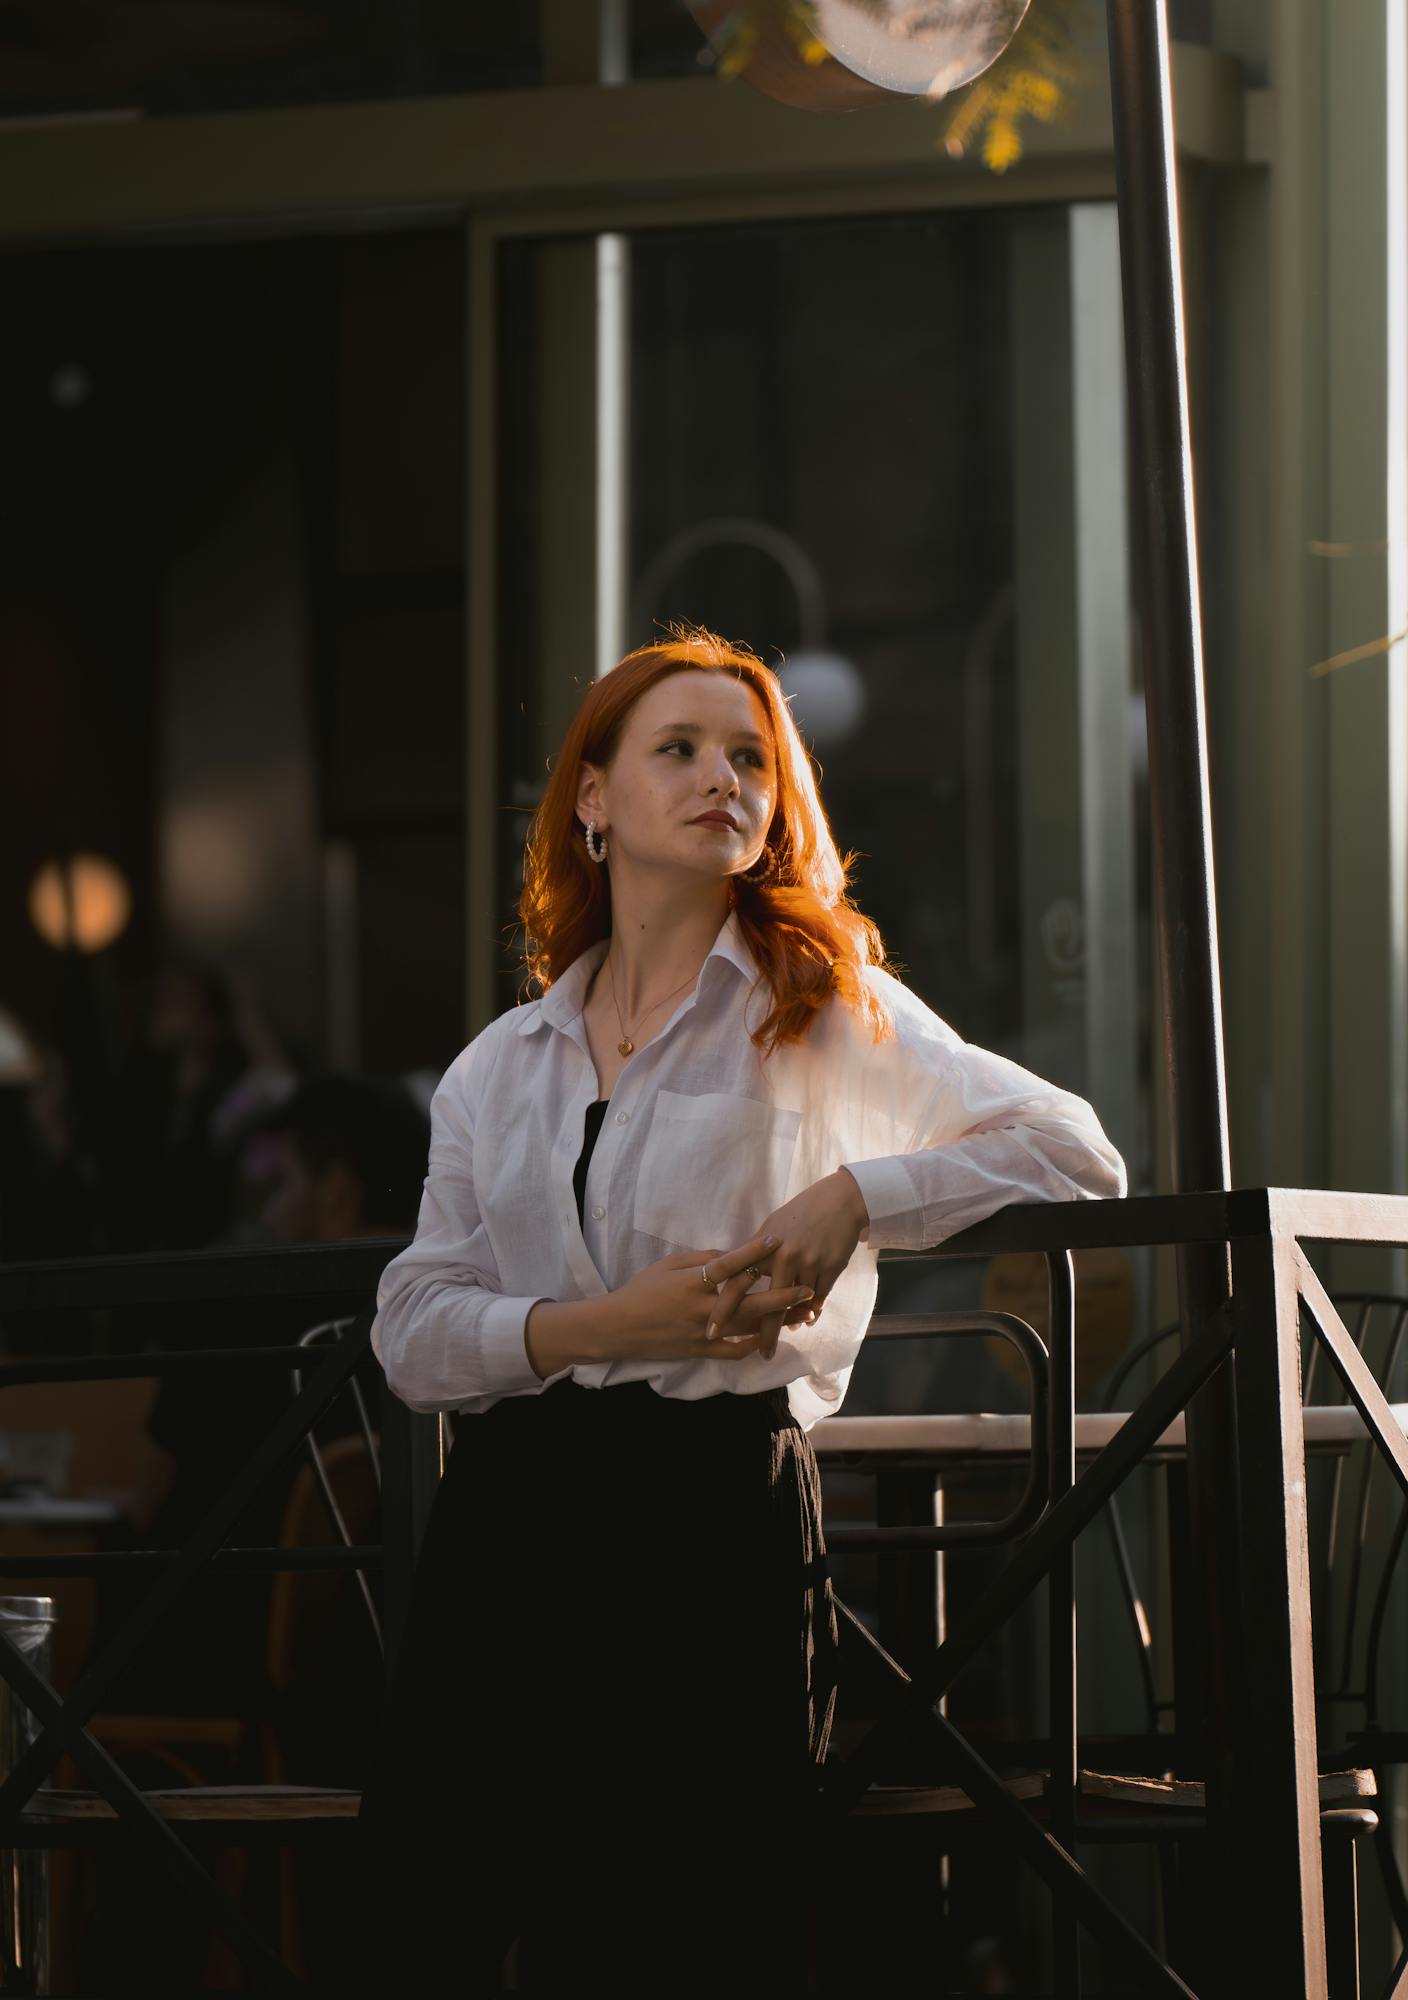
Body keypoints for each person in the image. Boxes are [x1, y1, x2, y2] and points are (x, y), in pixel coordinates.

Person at [359, 627, 1126, 1995]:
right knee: (443, 1916)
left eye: (752, 758)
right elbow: (413, 1323)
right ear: (592, 800)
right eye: (681, 749)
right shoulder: (502, 1064)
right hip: (511, 1515)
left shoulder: (817, 1007)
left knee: (690, 1930)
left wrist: (859, 1194)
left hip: (709, 1512)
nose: (727, 777)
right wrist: (604, 1329)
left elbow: (1073, 1150)